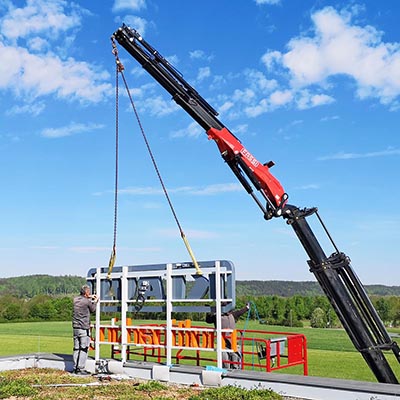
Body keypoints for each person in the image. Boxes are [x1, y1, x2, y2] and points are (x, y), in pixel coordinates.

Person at [206, 303, 249, 369]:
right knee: (225, 362)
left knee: (235, 360)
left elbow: (240, 311)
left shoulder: (232, 315)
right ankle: (227, 371)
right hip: (223, 345)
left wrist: (246, 308)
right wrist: (208, 311)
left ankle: (234, 370)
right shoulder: (217, 316)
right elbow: (208, 320)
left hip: (233, 344)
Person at [72, 284, 98, 375]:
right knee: (84, 348)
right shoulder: (86, 302)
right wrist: (95, 301)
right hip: (83, 327)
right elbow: (93, 309)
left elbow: (83, 299)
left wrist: (89, 296)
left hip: (75, 327)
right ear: (86, 292)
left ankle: (75, 367)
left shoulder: (75, 299)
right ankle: (81, 368)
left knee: (76, 348)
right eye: (89, 292)